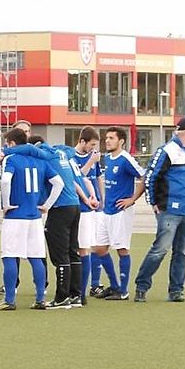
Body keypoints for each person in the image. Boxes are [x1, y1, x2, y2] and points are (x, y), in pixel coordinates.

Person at [4, 134, 94, 308]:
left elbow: (29, 150)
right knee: (72, 251)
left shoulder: (43, 154)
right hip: (74, 205)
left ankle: (62, 297)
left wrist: (7, 151)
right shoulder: (61, 152)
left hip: (60, 207)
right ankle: (77, 295)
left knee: (60, 255)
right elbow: (69, 151)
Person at [0, 128, 64, 311]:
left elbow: (6, 181)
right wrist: (46, 205)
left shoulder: (12, 159)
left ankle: (9, 299)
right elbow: (59, 183)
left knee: (9, 255)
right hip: (34, 216)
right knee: (36, 257)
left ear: (12, 143)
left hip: (16, 215)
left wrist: (6, 204)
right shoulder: (40, 160)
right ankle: (40, 298)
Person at [133, 116, 185, 303]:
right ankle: (141, 286)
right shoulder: (167, 151)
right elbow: (150, 178)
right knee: (160, 250)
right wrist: (154, 203)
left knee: (182, 253)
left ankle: (176, 290)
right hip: (170, 210)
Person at [91, 126, 145, 301]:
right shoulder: (107, 158)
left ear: (121, 141)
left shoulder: (125, 159)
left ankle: (123, 290)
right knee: (99, 248)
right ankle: (114, 285)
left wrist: (132, 199)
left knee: (121, 249)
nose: (107, 141)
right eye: (106, 138)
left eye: (111, 138)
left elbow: (144, 177)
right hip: (106, 211)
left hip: (121, 211)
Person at [72, 127, 106, 300]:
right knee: (82, 248)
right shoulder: (72, 156)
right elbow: (77, 177)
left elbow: (98, 177)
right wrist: (91, 162)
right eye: (91, 144)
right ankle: (81, 292)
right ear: (82, 141)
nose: (93, 148)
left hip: (95, 206)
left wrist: (102, 198)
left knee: (94, 246)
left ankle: (92, 285)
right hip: (81, 207)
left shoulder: (94, 157)